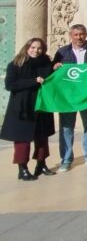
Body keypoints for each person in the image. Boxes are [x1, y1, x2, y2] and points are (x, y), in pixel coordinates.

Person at [1, 38, 55, 180]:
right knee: (22, 139)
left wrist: (56, 67)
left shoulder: (46, 63)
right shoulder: (15, 64)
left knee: (42, 137)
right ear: (27, 48)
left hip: (41, 105)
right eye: (33, 47)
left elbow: (52, 79)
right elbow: (10, 85)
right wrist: (33, 81)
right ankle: (22, 169)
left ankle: (41, 164)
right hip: (22, 107)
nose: (36, 50)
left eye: (39, 48)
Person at [52, 24, 87, 172]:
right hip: (68, 97)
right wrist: (55, 66)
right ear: (70, 35)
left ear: (86, 35)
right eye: (76, 35)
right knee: (66, 128)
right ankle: (66, 160)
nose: (79, 37)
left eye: (82, 34)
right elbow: (54, 72)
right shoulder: (62, 52)